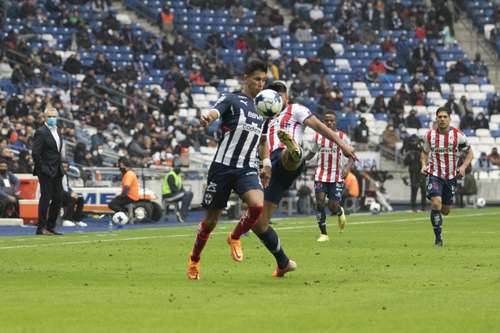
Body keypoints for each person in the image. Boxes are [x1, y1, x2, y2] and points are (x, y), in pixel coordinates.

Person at [244, 80, 356, 277]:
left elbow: (320, 127)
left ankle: (293, 151)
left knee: (286, 156)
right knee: (259, 224)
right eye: (274, 95)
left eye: (281, 95)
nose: (278, 99)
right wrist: (265, 165)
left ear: (286, 97)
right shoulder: (265, 119)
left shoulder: (296, 109)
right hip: (272, 170)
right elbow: (262, 146)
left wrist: (342, 145)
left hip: (286, 160)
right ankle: (283, 262)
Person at [186, 60, 272, 280]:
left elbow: (263, 141)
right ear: (246, 78)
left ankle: (235, 236)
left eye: (263, 80)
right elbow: (215, 111)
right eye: (257, 79)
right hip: (222, 168)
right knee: (211, 221)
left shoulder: (264, 108)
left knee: (257, 205)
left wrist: (267, 163)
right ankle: (194, 259)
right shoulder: (232, 99)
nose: (260, 84)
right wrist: (208, 117)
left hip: (247, 168)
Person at [421, 107, 473, 246]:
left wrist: (462, 167)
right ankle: (438, 239)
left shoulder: (459, 136)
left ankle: (439, 224)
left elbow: (470, 153)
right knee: (436, 203)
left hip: (450, 177)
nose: (442, 119)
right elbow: (424, 152)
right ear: (436, 119)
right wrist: (423, 164)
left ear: (449, 119)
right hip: (434, 174)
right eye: (440, 117)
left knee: (445, 210)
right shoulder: (429, 135)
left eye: (445, 117)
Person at [305, 113, 353, 242]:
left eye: (331, 120)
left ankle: (339, 211)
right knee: (320, 202)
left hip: (336, 176)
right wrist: (302, 161)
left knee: (332, 206)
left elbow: (352, 155)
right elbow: (312, 153)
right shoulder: (318, 136)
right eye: (326, 120)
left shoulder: (342, 137)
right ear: (323, 122)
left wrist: (347, 168)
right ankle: (324, 234)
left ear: (335, 122)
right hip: (321, 175)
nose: (329, 123)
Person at [32, 107, 64, 235]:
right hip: (46, 170)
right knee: (46, 198)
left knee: (58, 198)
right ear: (45, 118)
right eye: (50, 116)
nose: (52, 118)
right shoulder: (41, 132)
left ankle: (51, 226)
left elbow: (56, 152)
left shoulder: (58, 131)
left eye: (54, 116)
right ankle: (41, 227)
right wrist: (42, 169)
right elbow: (35, 153)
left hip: (57, 169)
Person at [162, 159, 193, 223]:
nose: (179, 169)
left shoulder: (178, 176)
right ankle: (182, 214)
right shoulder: (171, 175)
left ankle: (183, 212)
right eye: (178, 167)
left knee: (190, 194)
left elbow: (181, 188)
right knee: (187, 194)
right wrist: (184, 193)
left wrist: (184, 192)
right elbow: (173, 189)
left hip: (175, 195)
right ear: (175, 167)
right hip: (168, 196)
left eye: (180, 167)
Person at [402, 135, 426, 212]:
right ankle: (413, 207)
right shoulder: (410, 153)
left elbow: (425, 160)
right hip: (413, 173)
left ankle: (423, 207)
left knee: (424, 190)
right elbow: (405, 162)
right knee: (414, 190)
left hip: (421, 172)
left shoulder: (422, 151)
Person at [61, 160, 87, 227]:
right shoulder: (56, 175)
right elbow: (57, 189)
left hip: (65, 195)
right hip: (58, 196)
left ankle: (77, 219)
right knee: (71, 198)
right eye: (63, 167)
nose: (64, 168)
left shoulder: (65, 175)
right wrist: (69, 194)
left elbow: (66, 187)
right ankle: (66, 220)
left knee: (80, 199)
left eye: (66, 167)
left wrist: (72, 192)